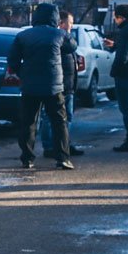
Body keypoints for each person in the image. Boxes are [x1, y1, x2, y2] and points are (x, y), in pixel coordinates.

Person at [8, 2, 75, 170]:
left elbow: (12, 59)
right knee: (59, 123)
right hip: (54, 87)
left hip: (30, 87)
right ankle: (63, 158)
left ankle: (27, 158)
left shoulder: (23, 36)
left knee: (28, 123)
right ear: (55, 17)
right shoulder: (59, 34)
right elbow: (72, 46)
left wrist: (23, 73)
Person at [39, 10, 82, 158]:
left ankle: (65, 144)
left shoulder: (66, 39)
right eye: (70, 23)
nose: (71, 26)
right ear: (61, 23)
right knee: (50, 117)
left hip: (68, 85)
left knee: (67, 117)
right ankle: (50, 146)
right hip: (57, 85)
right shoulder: (57, 38)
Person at [105, 4, 128, 152]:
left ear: (121, 17)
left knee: (126, 109)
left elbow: (123, 56)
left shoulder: (125, 30)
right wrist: (114, 45)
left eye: (116, 16)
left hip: (124, 75)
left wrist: (115, 71)